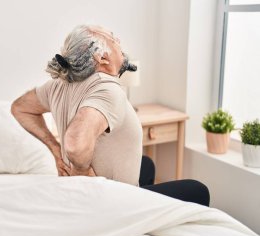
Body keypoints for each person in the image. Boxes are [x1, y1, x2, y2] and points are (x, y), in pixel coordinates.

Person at [11, 25, 209, 206]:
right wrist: (82, 174)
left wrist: (55, 150)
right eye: (113, 39)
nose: (119, 41)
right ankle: (134, 216)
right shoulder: (107, 88)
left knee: (146, 165)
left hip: (84, 192)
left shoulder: (59, 83)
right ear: (102, 58)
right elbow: (75, 142)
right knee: (198, 191)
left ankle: (148, 221)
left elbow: (20, 107)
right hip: (108, 201)